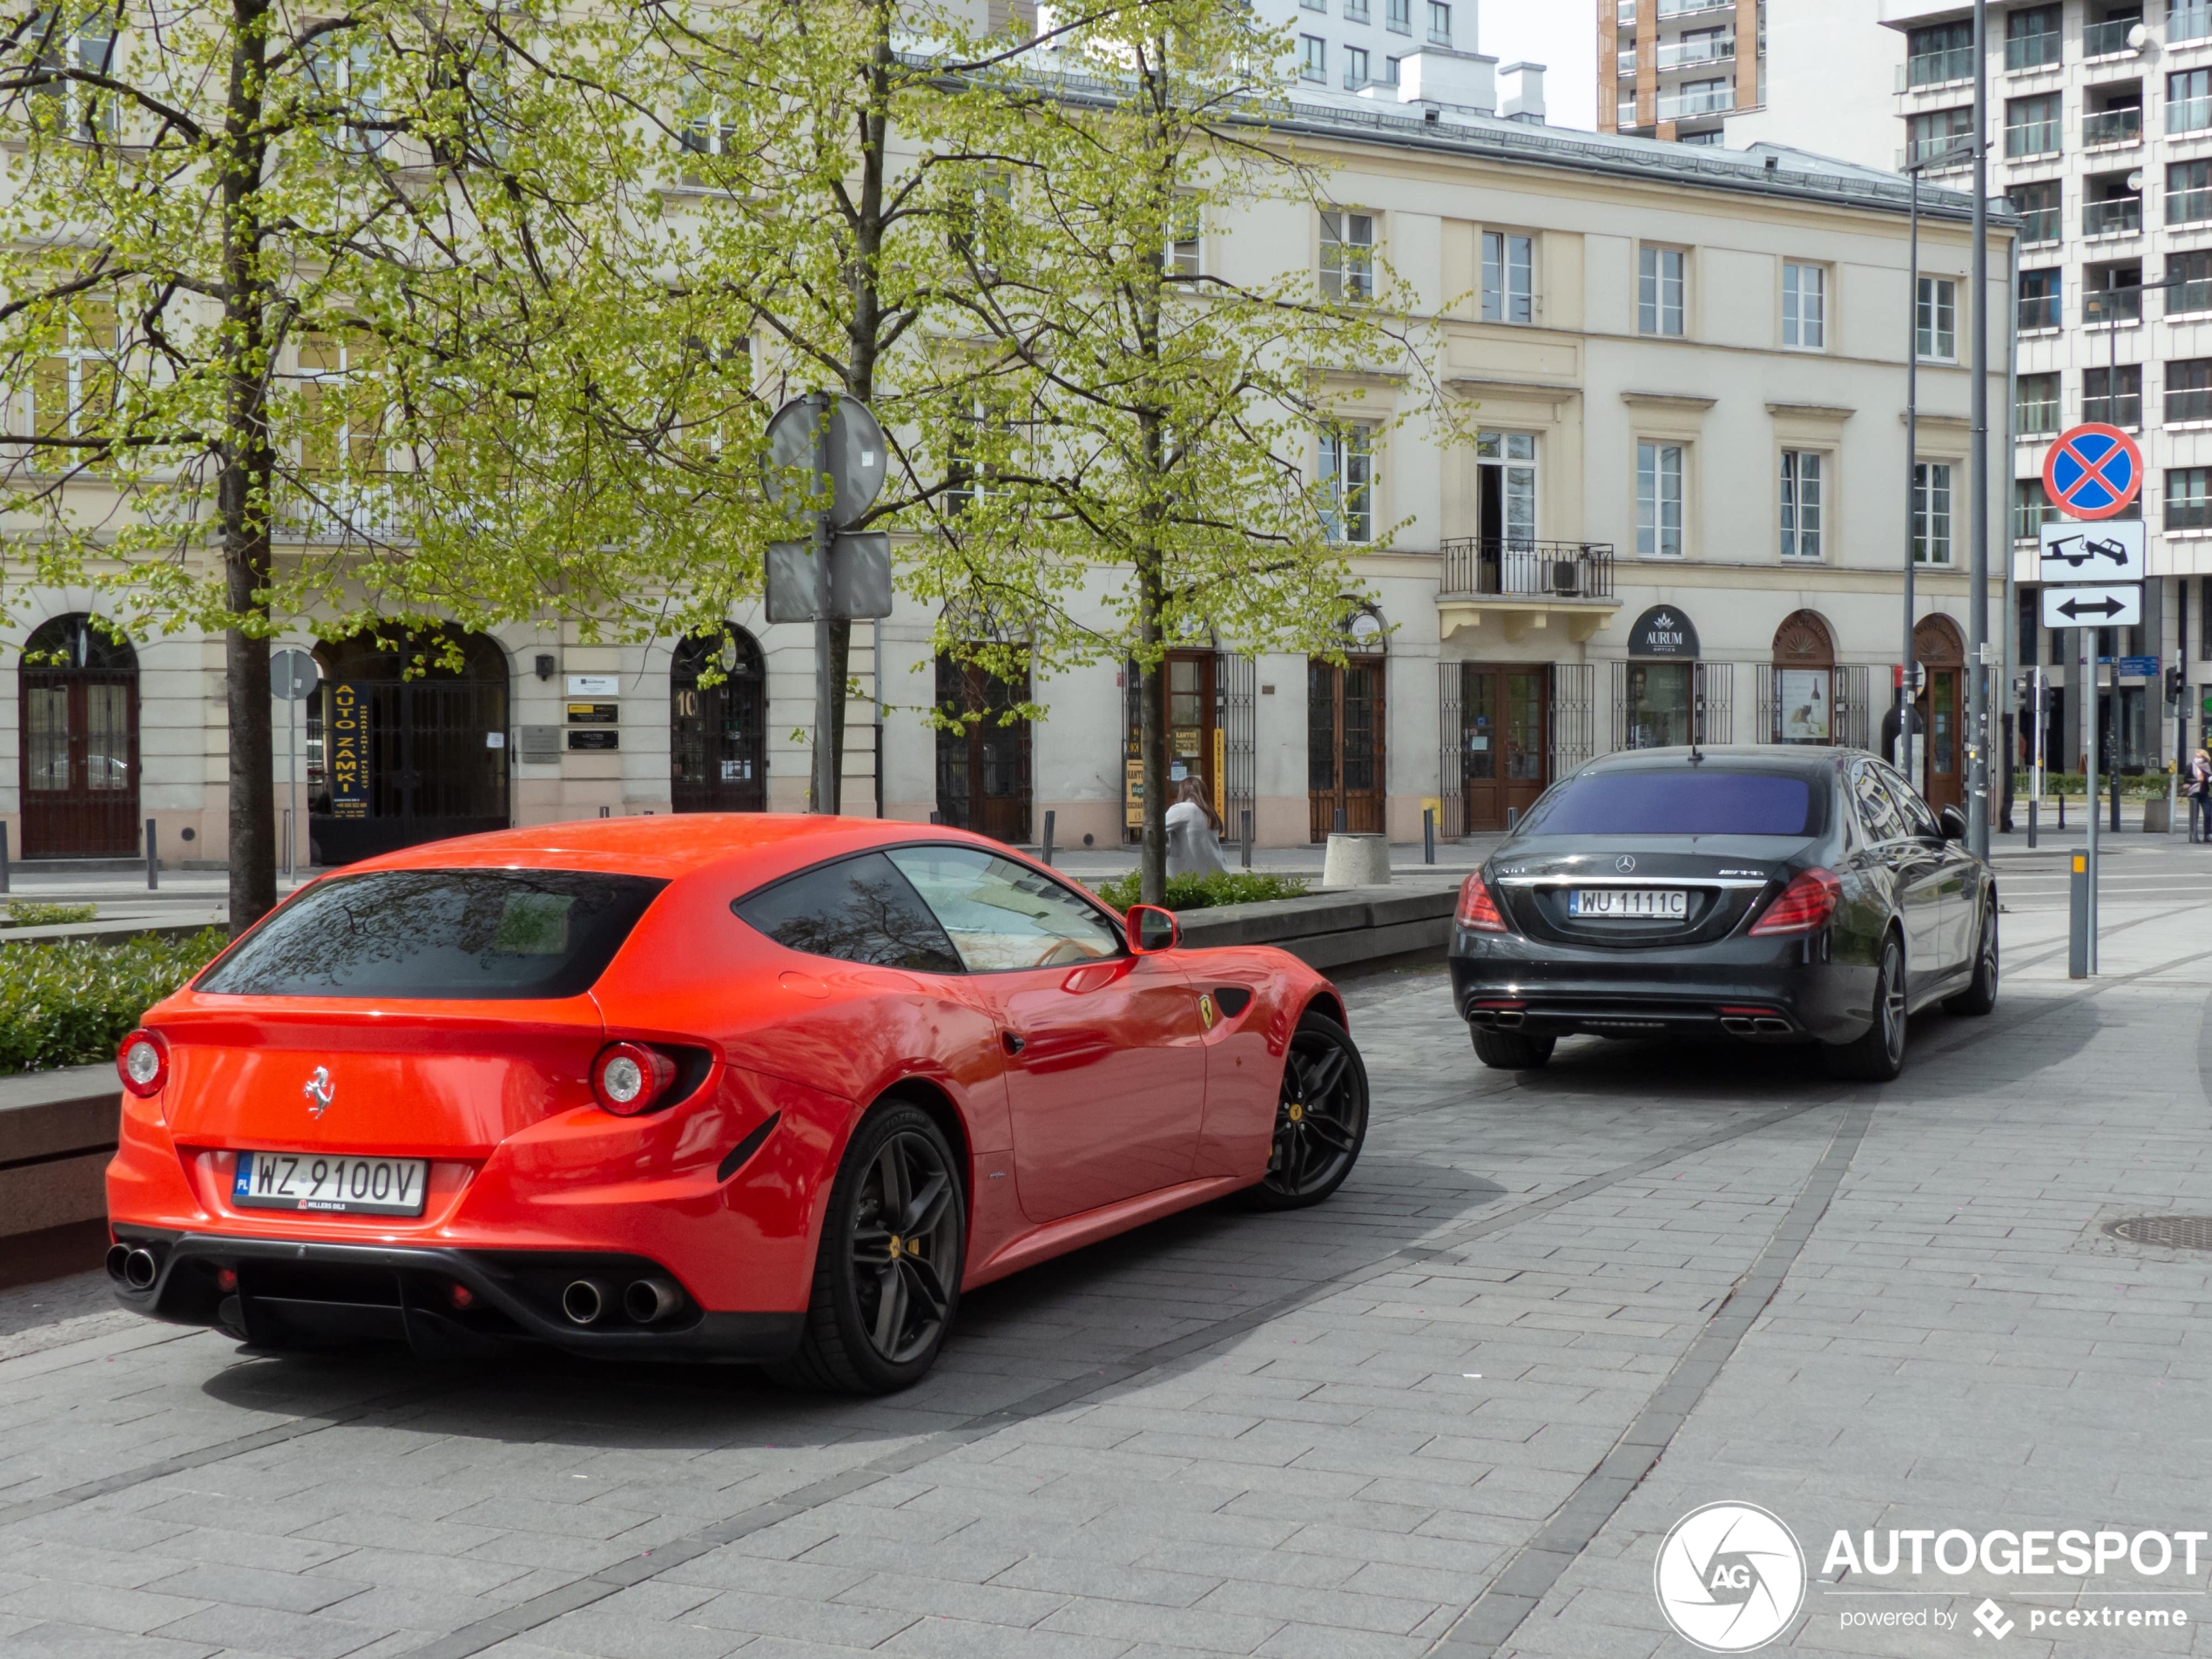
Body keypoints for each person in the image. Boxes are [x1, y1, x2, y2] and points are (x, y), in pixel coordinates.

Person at [1165, 775, 1229, 878]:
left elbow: (1155, 830)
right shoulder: (1210, 812)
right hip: (1216, 871)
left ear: (1182, 792)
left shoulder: (1181, 809)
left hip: (1188, 874)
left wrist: (1166, 852)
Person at [2189, 748, 2211, 844]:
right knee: (2195, 815)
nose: (2197, 755)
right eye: (2196, 754)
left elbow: (2209, 779)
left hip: (2204, 792)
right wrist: (2197, 781)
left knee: (2208, 814)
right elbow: (2186, 779)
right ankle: (2194, 835)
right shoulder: (2190, 766)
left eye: (2199, 754)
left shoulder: (2208, 766)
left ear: (2204, 756)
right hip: (2194, 793)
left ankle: (2207, 835)